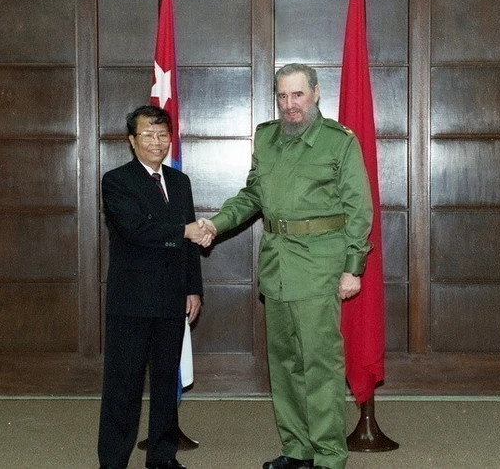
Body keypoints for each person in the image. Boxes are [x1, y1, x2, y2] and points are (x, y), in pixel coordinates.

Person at [199, 63, 372, 469]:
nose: (289, 105)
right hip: (277, 266)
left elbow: (359, 209)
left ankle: (329, 456)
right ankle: (298, 450)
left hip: (319, 267)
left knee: (320, 365)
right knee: (285, 365)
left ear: (315, 93)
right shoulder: (266, 138)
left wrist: (352, 267)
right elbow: (252, 195)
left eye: (297, 95)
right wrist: (215, 223)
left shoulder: (338, 142)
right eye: (282, 96)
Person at [98, 105, 211, 469]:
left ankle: (163, 458)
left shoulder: (180, 182)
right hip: (131, 301)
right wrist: (182, 231)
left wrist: (193, 288)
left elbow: (190, 244)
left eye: (163, 135)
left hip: (171, 298)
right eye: (148, 134)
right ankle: (113, 461)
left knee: (166, 384)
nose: (156, 142)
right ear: (132, 141)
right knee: (123, 387)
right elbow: (136, 229)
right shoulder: (116, 181)